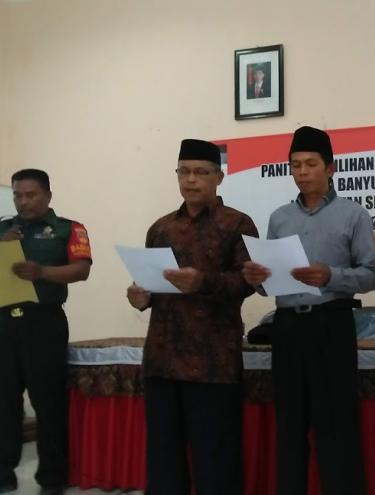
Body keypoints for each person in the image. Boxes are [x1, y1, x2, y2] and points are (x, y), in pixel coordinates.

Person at [242, 126, 375, 495]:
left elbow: (372, 275)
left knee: (336, 427)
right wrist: (257, 279)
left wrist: (331, 275)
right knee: (289, 426)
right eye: (295, 165)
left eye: (311, 164)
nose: (302, 172)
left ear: (330, 168)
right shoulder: (280, 218)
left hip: (331, 325)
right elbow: (270, 281)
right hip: (287, 328)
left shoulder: (353, 215)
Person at [126, 138, 258, 495]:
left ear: (219, 177)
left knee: (215, 460)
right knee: (163, 458)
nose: (191, 180)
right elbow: (151, 284)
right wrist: (141, 297)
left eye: (200, 172)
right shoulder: (161, 228)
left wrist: (203, 282)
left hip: (213, 363)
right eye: (184, 172)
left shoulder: (238, 224)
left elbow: (248, 282)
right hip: (162, 360)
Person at [0, 169, 92, 495]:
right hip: (5, 324)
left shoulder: (68, 229)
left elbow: (81, 270)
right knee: (2, 404)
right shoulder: (1, 229)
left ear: (47, 195)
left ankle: (52, 479)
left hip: (45, 323)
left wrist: (42, 272)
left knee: (48, 404)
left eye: (30, 195)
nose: (23, 201)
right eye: (17, 195)